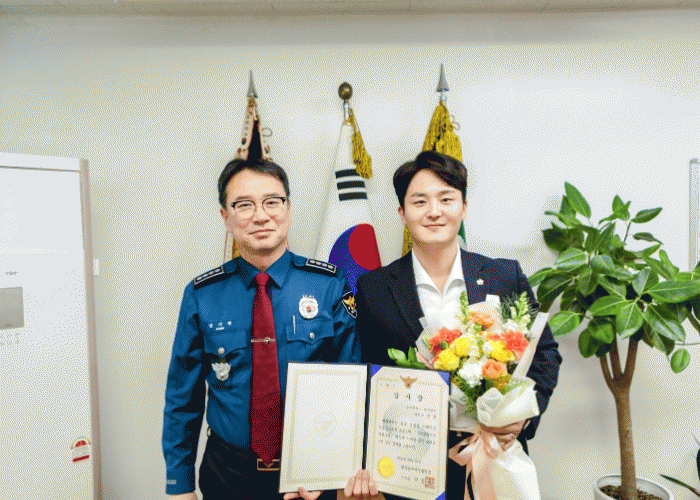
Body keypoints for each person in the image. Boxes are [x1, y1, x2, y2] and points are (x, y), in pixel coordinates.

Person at [355, 151, 562, 500]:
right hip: (410, 460)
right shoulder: (374, 289)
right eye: (419, 201)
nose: (434, 211)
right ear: (402, 213)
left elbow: (544, 353)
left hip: (494, 452)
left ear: (463, 208)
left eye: (446, 199)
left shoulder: (503, 276)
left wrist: (522, 416)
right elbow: (366, 374)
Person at [162, 157, 362, 500]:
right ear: (226, 218)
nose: (260, 215)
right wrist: (179, 485)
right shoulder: (203, 295)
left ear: (288, 209)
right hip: (228, 474)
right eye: (244, 205)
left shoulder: (328, 285)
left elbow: (351, 384)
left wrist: (329, 467)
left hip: (309, 476)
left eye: (272, 202)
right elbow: (183, 397)